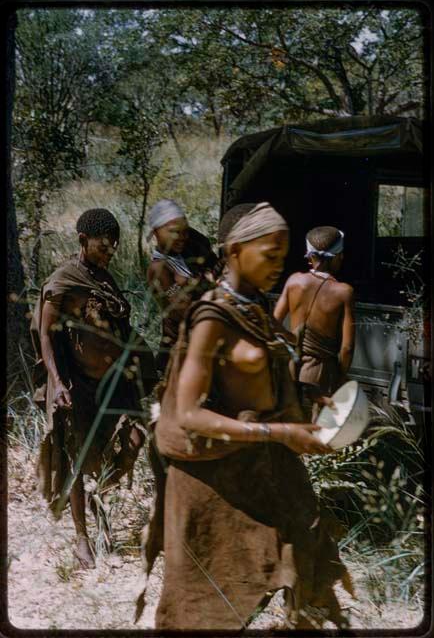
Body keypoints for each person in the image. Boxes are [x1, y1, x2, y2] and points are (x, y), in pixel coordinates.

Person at [136, 202, 353, 630]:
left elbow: (261, 374)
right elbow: (189, 415)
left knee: (304, 579)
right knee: (203, 613)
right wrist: (277, 431)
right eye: (268, 254)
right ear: (234, 251)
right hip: (209, 490)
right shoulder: (211, 318)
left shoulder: (255, 310)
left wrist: (306, 397)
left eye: (282, 255)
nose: (277, 265)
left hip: (262, 476)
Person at [31, 208, 158, 569]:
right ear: (83, 240)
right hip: (79, 385)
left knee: (133, 442)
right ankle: (82, 538)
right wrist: (57, 384)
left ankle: (99, 498)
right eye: (103, 247)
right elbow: (46, 334)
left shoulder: (102, 278)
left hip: (115, 382)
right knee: (74, 458)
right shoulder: (64, 281)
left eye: (113, 248)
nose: (110, 253)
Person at [274, 225, 355, 420]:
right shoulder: (343, 292)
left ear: (309, 256)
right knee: (319, 436)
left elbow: (273, 322)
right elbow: (347, 348)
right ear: (336, 257)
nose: (342, 258)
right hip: (322, 376)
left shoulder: (294, 281)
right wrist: (341, 376)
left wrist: (293, 340)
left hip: (292, 370)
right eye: (341, 254)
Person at [146, 199, 218, 374]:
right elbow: (183, 310)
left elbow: (216, 268)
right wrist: (209, 284)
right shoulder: (159, 268)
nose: (182, 238)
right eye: (173, 232)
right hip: (178, 355)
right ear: (156, 232)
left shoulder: (187, 255)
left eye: (185, 233)